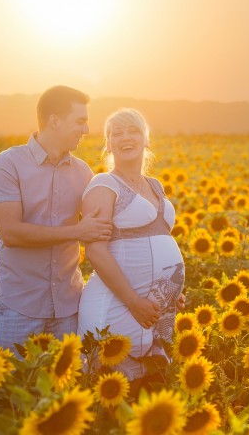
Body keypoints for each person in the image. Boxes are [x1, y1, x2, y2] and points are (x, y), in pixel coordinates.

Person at [0, 85, 112, 357]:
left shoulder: (82, 172)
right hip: (20, 307)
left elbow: (104, 232)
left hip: (68, 306)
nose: (87, 130)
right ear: (54, 120)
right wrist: (76, 231)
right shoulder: (8, 164)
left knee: (63, 395)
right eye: (80, 121)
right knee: (7, 394)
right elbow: (12, 233)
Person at [78, 108, 185, 380]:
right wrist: (133, 301)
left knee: (148, 387)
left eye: (134, 130)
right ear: (108, 144)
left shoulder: (155, 186)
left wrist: (170, 290)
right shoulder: (104, 184)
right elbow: (96, 251)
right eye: (117, 133)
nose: (126, 137)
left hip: (153, 310)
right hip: (117, 304)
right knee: (111, 385)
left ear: (147, 139)